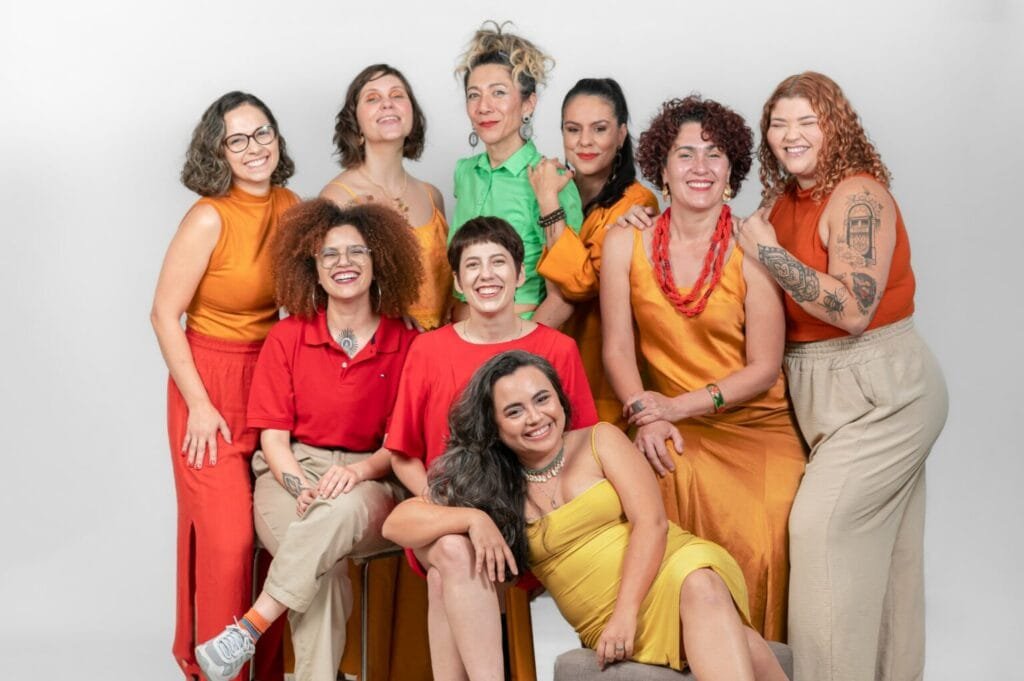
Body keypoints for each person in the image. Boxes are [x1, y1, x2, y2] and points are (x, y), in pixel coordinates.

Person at [384, 351, 789, 681]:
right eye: (515, 411)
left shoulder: (600, 439)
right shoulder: (489, 482)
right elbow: (396, 524)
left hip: (664, 572)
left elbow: (652, 523)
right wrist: (474, 520)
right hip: (597, 610)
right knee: (745, 646)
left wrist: (625, 616)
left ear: (560, 399)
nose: (535, 417)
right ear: (495, 425)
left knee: (702, 583)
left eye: (542, 399)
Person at [734, 71, 948, 681]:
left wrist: (768, 252)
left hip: (885, 390)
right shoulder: (783, 203)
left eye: (808, 121)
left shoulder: (858, 196)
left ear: (837, 127)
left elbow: (854, 310)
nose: (791, 134)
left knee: (820, 532)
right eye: (779, 123)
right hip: (821, 390)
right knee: (890, 562)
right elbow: (730, 243)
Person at [600, 95, 807, 642]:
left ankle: (757, 661)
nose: (700, 166)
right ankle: (676, 655)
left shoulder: (753, 246)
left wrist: (674, 407)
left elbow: (764, 368)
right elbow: (617, 350)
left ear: (731, 172)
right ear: (662, 170)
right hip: (668, 423)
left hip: (755, 426)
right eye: (685, 154)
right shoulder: (625, 241)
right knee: (660, 483)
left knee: (763, 537)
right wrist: (648, 416)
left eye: (714, 155)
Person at [193, 200, 423, 681]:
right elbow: (274, 442)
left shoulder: (407, 342)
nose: (343, 263)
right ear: (312, 269)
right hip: (289, 473)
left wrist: (356, 473)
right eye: (328, 254)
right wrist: (302, 487)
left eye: (356, 251)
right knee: (325, 572)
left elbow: (399, 443)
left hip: (371, 478)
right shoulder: (288, 337)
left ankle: (250, 627)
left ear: (378, 260)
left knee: (340, 512)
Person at [386, 216, 599, 681]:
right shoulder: (427, 351)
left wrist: (537, 509)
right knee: (452, 547)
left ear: (521, 274)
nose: (486, 275)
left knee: (448, 566)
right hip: (444, 511)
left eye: (498, 262)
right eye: (473, 265)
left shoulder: (556, 349)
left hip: (528, 517)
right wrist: (447, 508)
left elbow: (583, 444)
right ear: (458, 283)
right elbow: (402, 452)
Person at [151, 91, 299, 680]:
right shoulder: (208, 217)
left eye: (262, 133)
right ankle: (214, 672)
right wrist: (199, 405)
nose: (254, 147)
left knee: (274, 534)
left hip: (270, 381)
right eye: (237, 139)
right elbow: (164, 315)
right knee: (228, 542)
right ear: (218, 151)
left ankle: (266, 672)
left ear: (277, 137)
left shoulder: (291, 205)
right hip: (207, 386)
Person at [534, 77, 659, 427]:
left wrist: (548, 202)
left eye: (599, 129)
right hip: (549, 364)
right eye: (573, 129)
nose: (584, 141)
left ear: (621, 134)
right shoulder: (558, 186)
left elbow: (581, 283)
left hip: (603, 372)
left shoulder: (637, 203)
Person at [451, 20, 584, 324]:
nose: (483, 107)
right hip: (460, 336)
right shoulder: (465, 174)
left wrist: (519, 348)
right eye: (473, 95)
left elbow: (566, 295)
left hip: (519, 339)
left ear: (528, 103)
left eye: (498, 93)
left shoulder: (552, 179)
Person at [321, 63, 452, 331]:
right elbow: (326, 289)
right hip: (380, 346)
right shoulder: (336, 199)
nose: (387, 104)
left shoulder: (432, 196)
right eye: (372, 98)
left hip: (440, 346)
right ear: (355, 123)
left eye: (397, 95)